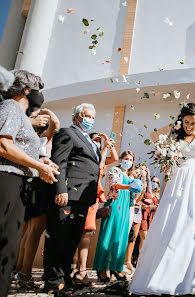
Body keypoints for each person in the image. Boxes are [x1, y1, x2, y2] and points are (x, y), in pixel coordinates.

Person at [129, 103, 195, 295]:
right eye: (186, 122)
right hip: (176, 181)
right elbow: (166, 168)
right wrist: (164, 188)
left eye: (193, 123)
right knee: (173, 224)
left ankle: (194, 277)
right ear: (182, 120)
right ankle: (167, 273)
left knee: (194, 224)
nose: (190, 126)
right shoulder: (174, 135)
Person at [0, 70, 59, 296]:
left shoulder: (22, 116)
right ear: (27, 90)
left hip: (20, 181)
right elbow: (4, 146)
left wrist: (42, 161)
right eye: (37, 90)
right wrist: (38, 166)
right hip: (6, 178)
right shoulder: (11, 108)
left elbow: (20, 147)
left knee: (8, 245)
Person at [43, 103, 100, 292]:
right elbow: (59, 161)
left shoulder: (91, 141)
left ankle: (65, 279)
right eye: (86, 116)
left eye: (92, 117)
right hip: (68, 195)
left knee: (72, 241)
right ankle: (54, 282)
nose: (90, 120)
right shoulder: (68, 133)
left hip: (83, 199)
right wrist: (61, 189)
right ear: (76, 116)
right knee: (59, 237)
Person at [15, 103, 60, 288]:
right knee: (35, 231)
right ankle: (25, 275)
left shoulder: (28, 138)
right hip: (41, 185)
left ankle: (18, 271)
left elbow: (53, 124)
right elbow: (56, 123)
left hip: (30, 185)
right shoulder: (40, 140)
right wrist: (43, 112)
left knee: (27, 232)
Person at [70, 132, 118, 285]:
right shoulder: (90, 156)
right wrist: (103, 150)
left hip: (94, 197)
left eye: (99, 140)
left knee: (86, 233)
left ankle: (80, 271)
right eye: (95, 140)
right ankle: (79, 271)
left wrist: (108, 144)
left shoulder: (100, 156)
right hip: (86, 194)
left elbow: (115, 158)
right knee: (81, 233)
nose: (98, 142)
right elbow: (97, 166)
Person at [93, 150, 136, 282]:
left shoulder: (131, 177)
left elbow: (133, 197)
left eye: (130, 159)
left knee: (121, 237)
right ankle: (101, 268)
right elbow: (114, 185)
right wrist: (131, 186)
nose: (128, 161)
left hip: (126, 208)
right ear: (121, 159)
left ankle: (116, 267)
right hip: (115, 204)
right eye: (126, 158)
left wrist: (140, 186)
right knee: (109, 235)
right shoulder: (115, 171)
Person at [123, 164, 151, 273]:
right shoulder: (132, 179)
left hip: (137, 210)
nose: (143, 172)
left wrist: (143, 189)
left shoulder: (145, 184)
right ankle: (123, 260)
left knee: (133, 237)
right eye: (142, 169)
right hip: (129, 208)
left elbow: (138, 199)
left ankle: (128, 261)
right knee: (126, 235)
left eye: (145, 170)